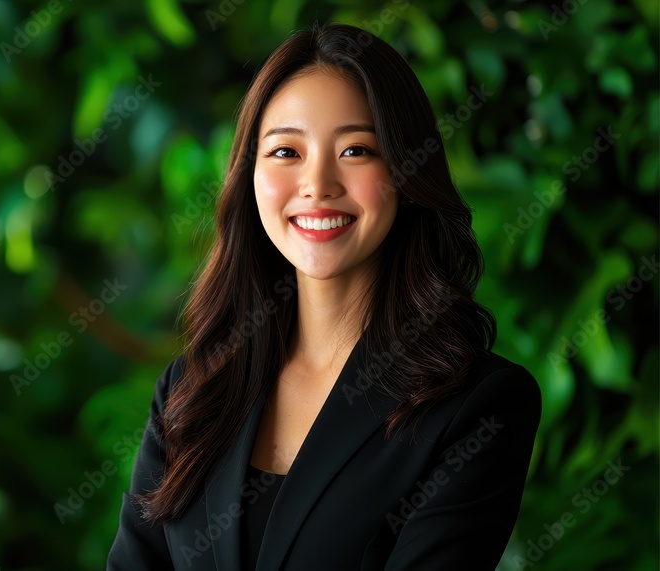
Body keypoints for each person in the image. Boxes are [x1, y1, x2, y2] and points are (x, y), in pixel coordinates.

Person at [107, 22, 542, 570]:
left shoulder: (476, 405)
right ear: (249, 176)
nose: (317, 184)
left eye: (357, 149)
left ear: (407, 173)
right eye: (286, 150)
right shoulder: (191, 390)